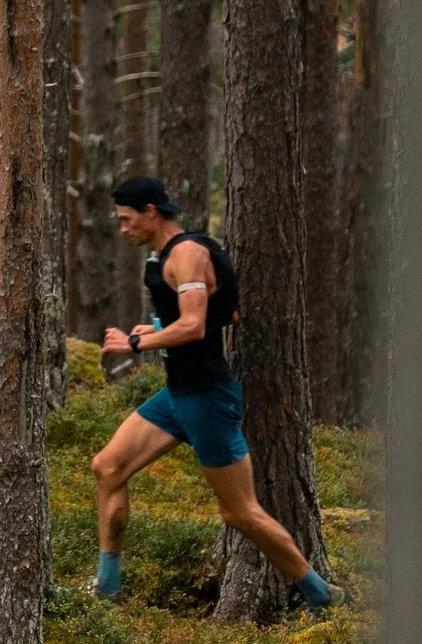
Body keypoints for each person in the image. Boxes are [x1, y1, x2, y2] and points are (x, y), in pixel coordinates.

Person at [90, 176, 341, 610]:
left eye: (127, 220)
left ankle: (323, 595)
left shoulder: (187, 253)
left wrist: (135, 344)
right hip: (177, 396)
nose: (123, 229)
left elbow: (194, 326)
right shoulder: (173, 255)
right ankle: (107, 589)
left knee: (240, 512)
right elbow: (225, 314)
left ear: (151, 212)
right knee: (107, 468)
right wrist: (152, 330)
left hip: (208, 398)